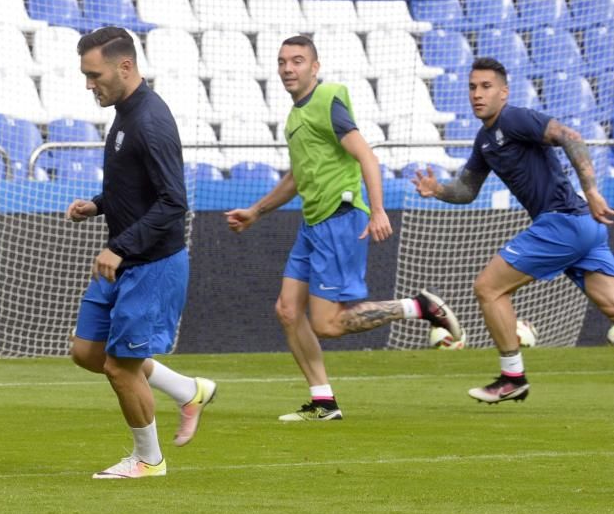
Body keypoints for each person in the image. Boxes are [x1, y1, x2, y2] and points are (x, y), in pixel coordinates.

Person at [225, 35, 462, 422]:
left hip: (339, 218)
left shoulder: (328, 99)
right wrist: (255, 211)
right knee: (287, 310)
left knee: (327, 324)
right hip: (313, 224)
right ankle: (323, 402)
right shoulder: (295, 116)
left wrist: (378, 210)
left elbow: (365, 154)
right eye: (283, 61)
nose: (288, 68)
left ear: (314, 67)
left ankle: (417, 307)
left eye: (298, 61)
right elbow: (297, 177)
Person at [413, 57, 614, 404]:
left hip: (563, 221)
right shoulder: (485, 140)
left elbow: (571, 136)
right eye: (472, 87)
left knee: (488, 288)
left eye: (486, 87)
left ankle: (512, 376)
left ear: (503, 93)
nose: (478, 94)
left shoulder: (514, 118)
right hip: (582, 227)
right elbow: (467, 190)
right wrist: (439, 191)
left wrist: (593, 190)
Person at [66, 26, 216, 480]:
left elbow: (174, 202)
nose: (89, 85)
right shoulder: (124, 113)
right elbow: (135, 188)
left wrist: (119, 246)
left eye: (94, 75)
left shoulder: (150, 120)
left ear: (125, 67)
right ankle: (187, 390)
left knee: (119, 366)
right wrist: (99, 204)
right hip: (126, 260)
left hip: (152, 265)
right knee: (87, 352)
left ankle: (149, 460)